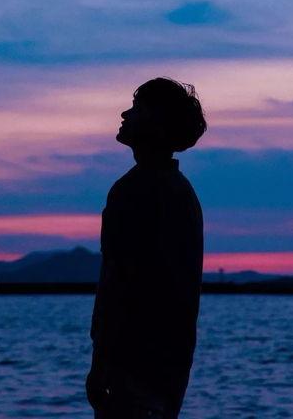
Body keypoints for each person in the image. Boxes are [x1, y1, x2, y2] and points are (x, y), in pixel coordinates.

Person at [86, 77, 206, 419]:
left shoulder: (135, 190)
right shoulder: (181, 192)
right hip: (168, 366)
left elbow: (120, 282)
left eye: (137, 109)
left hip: (133, 364)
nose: (125, 114)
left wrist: (101, 363)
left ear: (156, 123)